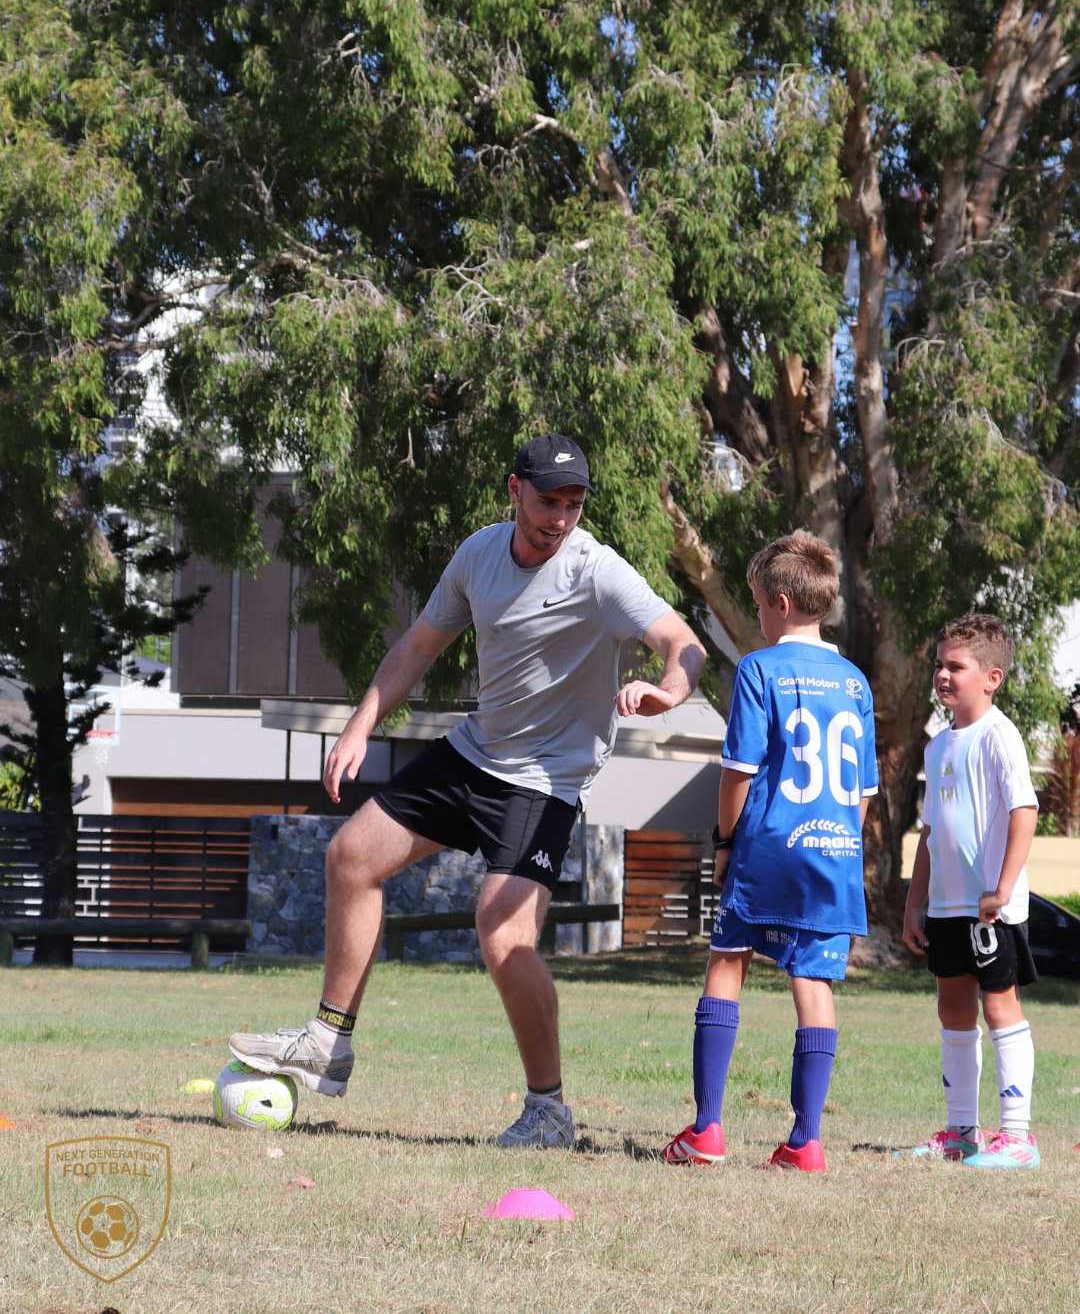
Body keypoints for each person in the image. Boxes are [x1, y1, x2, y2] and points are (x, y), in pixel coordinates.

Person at [229, 434, 706, 1148]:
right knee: (351, 856)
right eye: (549, 501)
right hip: (477, 753)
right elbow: (419, 645)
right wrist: (361, 724)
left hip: (546, 780)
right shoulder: (478, 556)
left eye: (575, 504)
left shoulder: (597, 571)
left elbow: (683, 641)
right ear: (515, 491)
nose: (562, 517)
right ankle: (329, 1042)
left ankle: (548, 1111)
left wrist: (670, 692)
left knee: (503, 933)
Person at [661, 530, 877, 1172]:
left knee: (727, 963)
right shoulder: (857, 682)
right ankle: (806, 1141)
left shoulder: (760, 669)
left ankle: (707, 1131)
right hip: (833, 855)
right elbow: (863, 791)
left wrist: (726, 843)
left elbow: (738, 772)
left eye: (756, 604)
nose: (755, 615)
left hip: (769, 850)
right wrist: (842, 846)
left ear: (780, 603)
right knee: (812, 980)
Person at [902, 614, 1040, 1169]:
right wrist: (916, 902)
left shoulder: (1000, 736)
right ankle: (962, 1130)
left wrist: (1001, 889)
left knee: (998, 1004)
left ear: (992, 677)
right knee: (953, 1008)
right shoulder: (938, 748)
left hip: (990, 909)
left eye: (955, 666)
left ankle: (1018, 1136)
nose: (942, 674)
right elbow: (932, 832)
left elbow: (1024, 812)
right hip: (946, 908)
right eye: (938, 664)